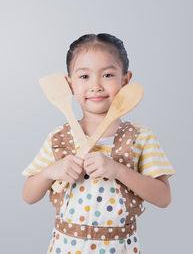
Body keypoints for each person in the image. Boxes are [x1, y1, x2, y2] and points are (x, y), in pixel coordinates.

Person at [22, 33, 175, 254]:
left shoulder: (140, 137)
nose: (95, 85)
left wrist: (118, 170)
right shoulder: (58, 138)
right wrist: (49, 172)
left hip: (120, 248)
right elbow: (28, 196)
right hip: (65, 248)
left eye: (108, 75)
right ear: (69, 84)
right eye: (84, 76)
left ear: (125, 80)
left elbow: (163, 198)